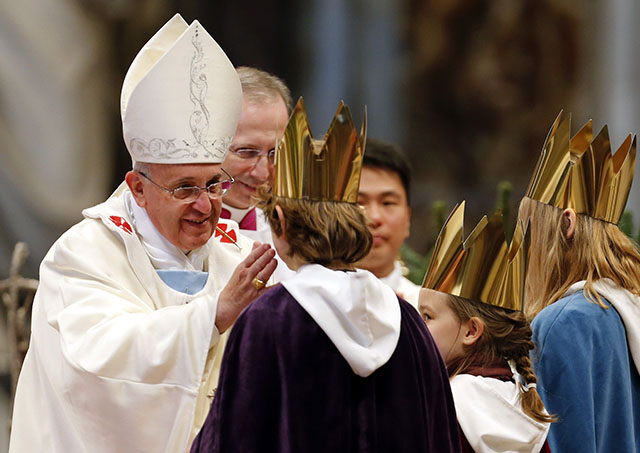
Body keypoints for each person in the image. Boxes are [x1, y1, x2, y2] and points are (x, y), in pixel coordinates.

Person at [9, 14, 277, 453]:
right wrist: (213, 315)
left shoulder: (240, 256)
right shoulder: (85, 255)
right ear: (137, 187)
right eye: (184, 188)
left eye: (213, 184)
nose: (205, 204)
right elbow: (100, 364)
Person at [191, 99, 461, 452]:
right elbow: (439, 435)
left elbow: (235, 437)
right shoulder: (405, 317)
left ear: (282, 224)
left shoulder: (272, 318)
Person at [519, 112, 640, 452]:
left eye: (531, 229)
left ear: (566, 224)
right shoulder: (626, 309)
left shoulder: (561, 323)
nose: (526, 248)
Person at [418, 201, 552, 452]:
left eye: (427, 317)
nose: (418, 325)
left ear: (471, 332)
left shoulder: (444, 403)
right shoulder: (523, 404)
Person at [219, 66, 295, 280]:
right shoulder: (158, 227)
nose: (262, 173)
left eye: (275, 153)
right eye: (247, 152)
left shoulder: (292, 237)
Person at [356, 138, 420, 306]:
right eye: (358, 203)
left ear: (408, 217)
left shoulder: (427, 312)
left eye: (388, 203)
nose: (374, 217)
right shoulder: (303, 305)